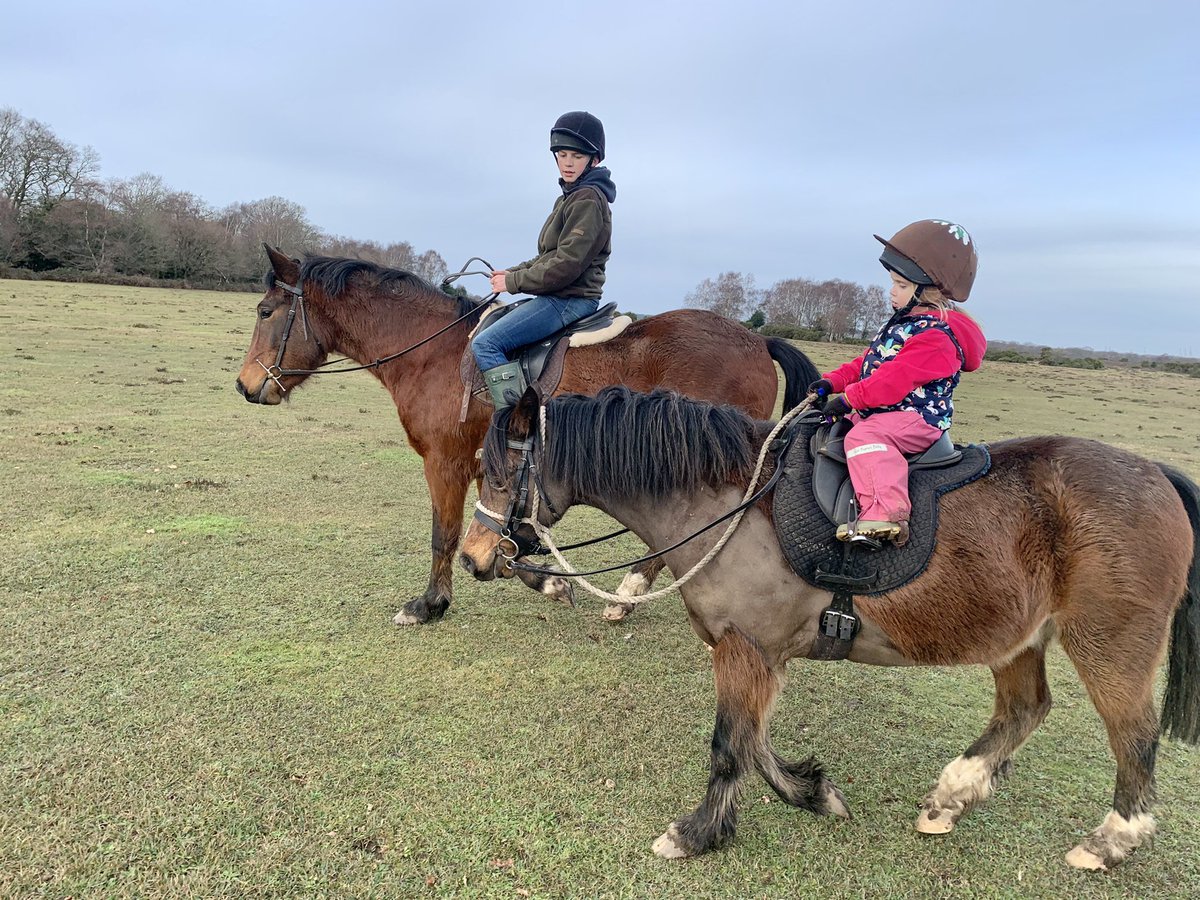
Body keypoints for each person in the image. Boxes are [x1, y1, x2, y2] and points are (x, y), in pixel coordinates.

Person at [808, 219, 986, 545]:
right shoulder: (904, 325)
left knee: (865, 436)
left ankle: (884, 515)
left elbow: (891, 381)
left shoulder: (936, 337)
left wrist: (850, 400)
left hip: (916, 418)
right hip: (889, 411)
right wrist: (830, 383)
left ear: (926, 292)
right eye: (893, 283)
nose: (892, 291)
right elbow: (867, 364)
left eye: (901, 285)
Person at [471, 110, 617, 408]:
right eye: (562, 154)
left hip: (568, 299)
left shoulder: (587, 199)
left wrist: (513, 282)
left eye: (576, 155)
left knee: (486, 344)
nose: (567, 162)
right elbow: (548, 256)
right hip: (560, 295)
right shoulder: (570, 198)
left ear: (594, 159)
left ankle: (515, 429)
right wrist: (512, 272)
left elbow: (566, 265)